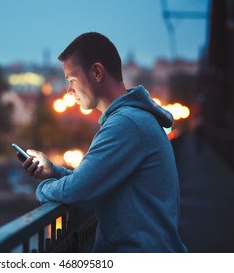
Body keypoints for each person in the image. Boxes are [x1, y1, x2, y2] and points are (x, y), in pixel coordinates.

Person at [17, 32, 187, 253]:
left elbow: (78, 190)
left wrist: (43, 189)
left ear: (97, 72)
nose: (69, 91)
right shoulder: (132, 119)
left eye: (71, 80)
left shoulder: (125, 124)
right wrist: (54, 172)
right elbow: (95, 179)